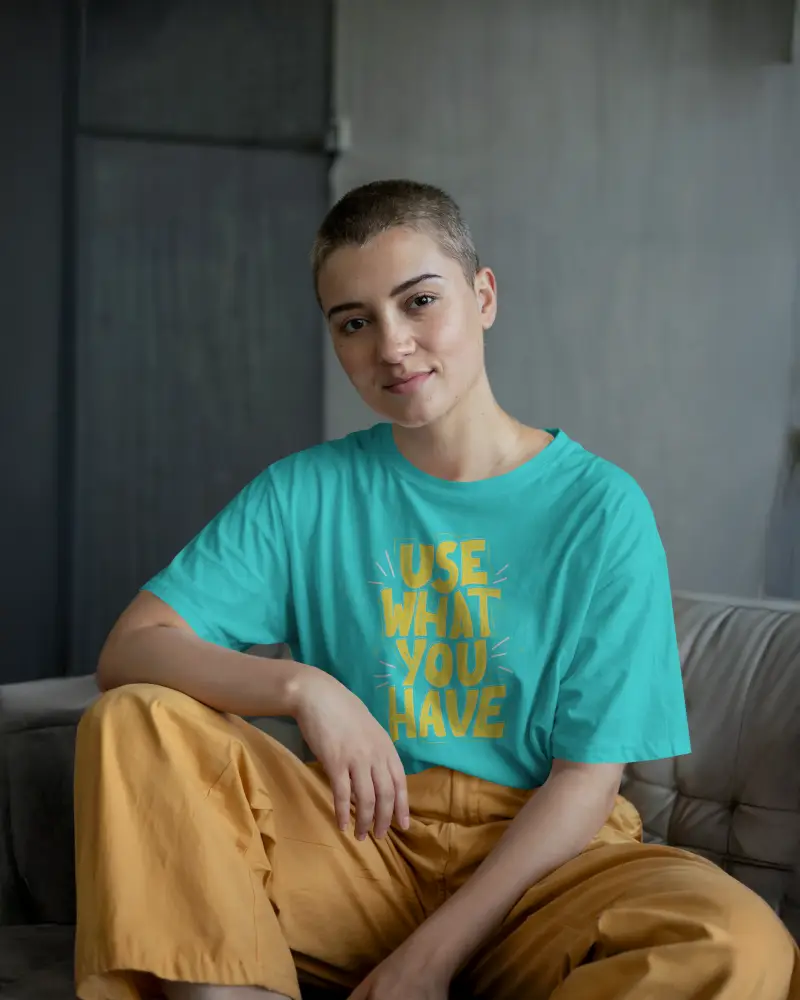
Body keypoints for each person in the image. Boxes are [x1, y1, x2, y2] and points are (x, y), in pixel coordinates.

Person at [74, 180, 800, 1000]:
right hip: (359, 846)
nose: (392, 345)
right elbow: (131, 648)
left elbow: (587, 780)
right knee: (135, 719)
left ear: (483, 296)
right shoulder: (305, 492)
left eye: (419, 302)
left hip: (547, 875)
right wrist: (303, 687)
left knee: (736, 944)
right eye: (355, 322)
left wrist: (429, 957)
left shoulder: (601, 508)